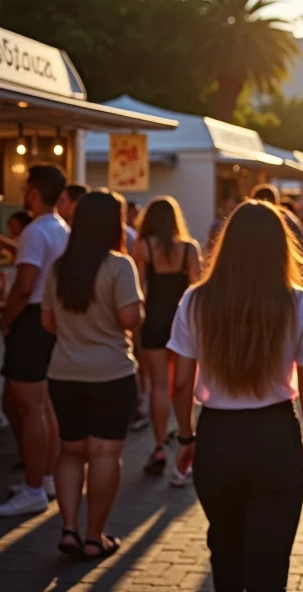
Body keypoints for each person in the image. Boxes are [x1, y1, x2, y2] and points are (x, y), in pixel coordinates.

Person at [167, 200, 303, 590]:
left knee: (225, 551)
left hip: (217, 437)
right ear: (280, 246)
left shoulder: (196, 300)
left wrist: (186, 436)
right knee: (270, 561)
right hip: (275, 436)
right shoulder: (298, 302)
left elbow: (179, 383)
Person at [41, 191, 144, 559]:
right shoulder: (119, 266)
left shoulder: (58, 268)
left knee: (70, 451)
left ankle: (69, 528)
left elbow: (47, 322)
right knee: (104, 453)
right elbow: (130, 319)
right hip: (111, 373)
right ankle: (94, 537)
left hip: (64, 372)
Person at [0, 164, 69, 517]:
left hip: (32, 322)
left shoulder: (36, 232)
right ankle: (46, 479)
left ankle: (35, 488)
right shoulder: (62, 229)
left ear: (34, 193)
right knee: (46, 406)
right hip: (50, 321)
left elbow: (24, 286)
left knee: (31, 408)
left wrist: (6, 321)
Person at [133, 197, 202, 480]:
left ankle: (159, 447)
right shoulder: (189, 248)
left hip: (154, 320)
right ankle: (187, 438)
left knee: (159, 386)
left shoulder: (143, 247)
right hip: (182, 321)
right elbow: (197, 289)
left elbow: (138, 289)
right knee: (184, 384)